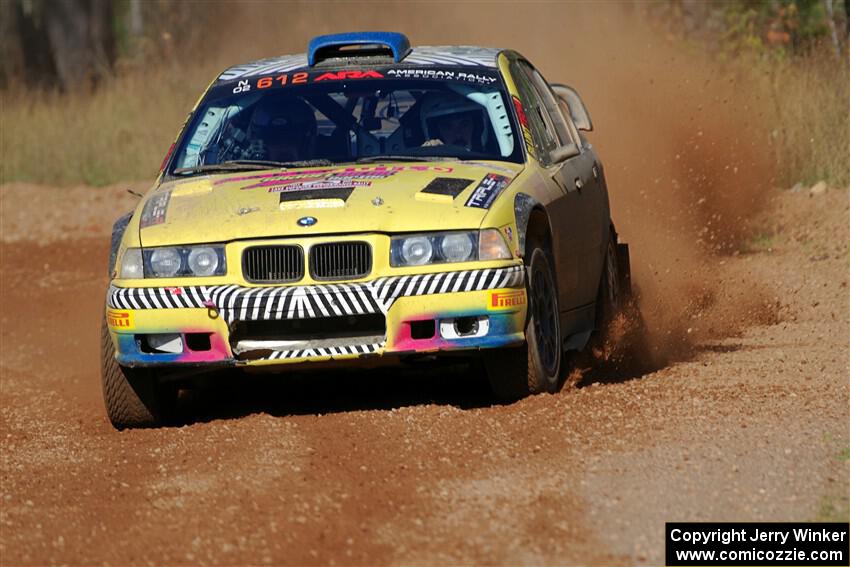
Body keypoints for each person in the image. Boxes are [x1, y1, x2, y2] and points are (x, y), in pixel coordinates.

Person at [247, 95, 317, 161]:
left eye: (290, 139)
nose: (283, 147)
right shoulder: (243, 169)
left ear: (305, 144)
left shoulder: (326, 161)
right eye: (275, 141)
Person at [419, 92, 486, 151]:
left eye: (464, 125)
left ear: (477, 127)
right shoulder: (429, 163)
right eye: (448, 127)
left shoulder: (494, 159)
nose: (458, 134)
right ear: (436, 132)